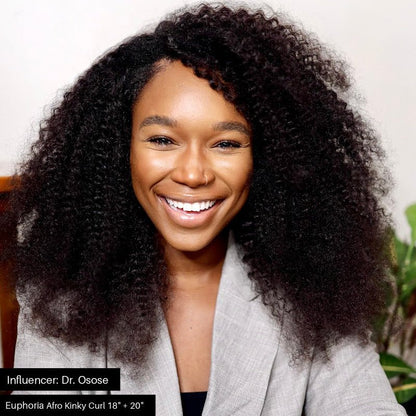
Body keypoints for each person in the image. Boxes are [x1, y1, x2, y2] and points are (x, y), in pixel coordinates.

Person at [6, 3, 405, 415]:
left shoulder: (313, 288)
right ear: (116, 151)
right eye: (162, 140)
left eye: (226, 144)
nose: (193, 174)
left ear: (269, 158)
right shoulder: (60, 294)